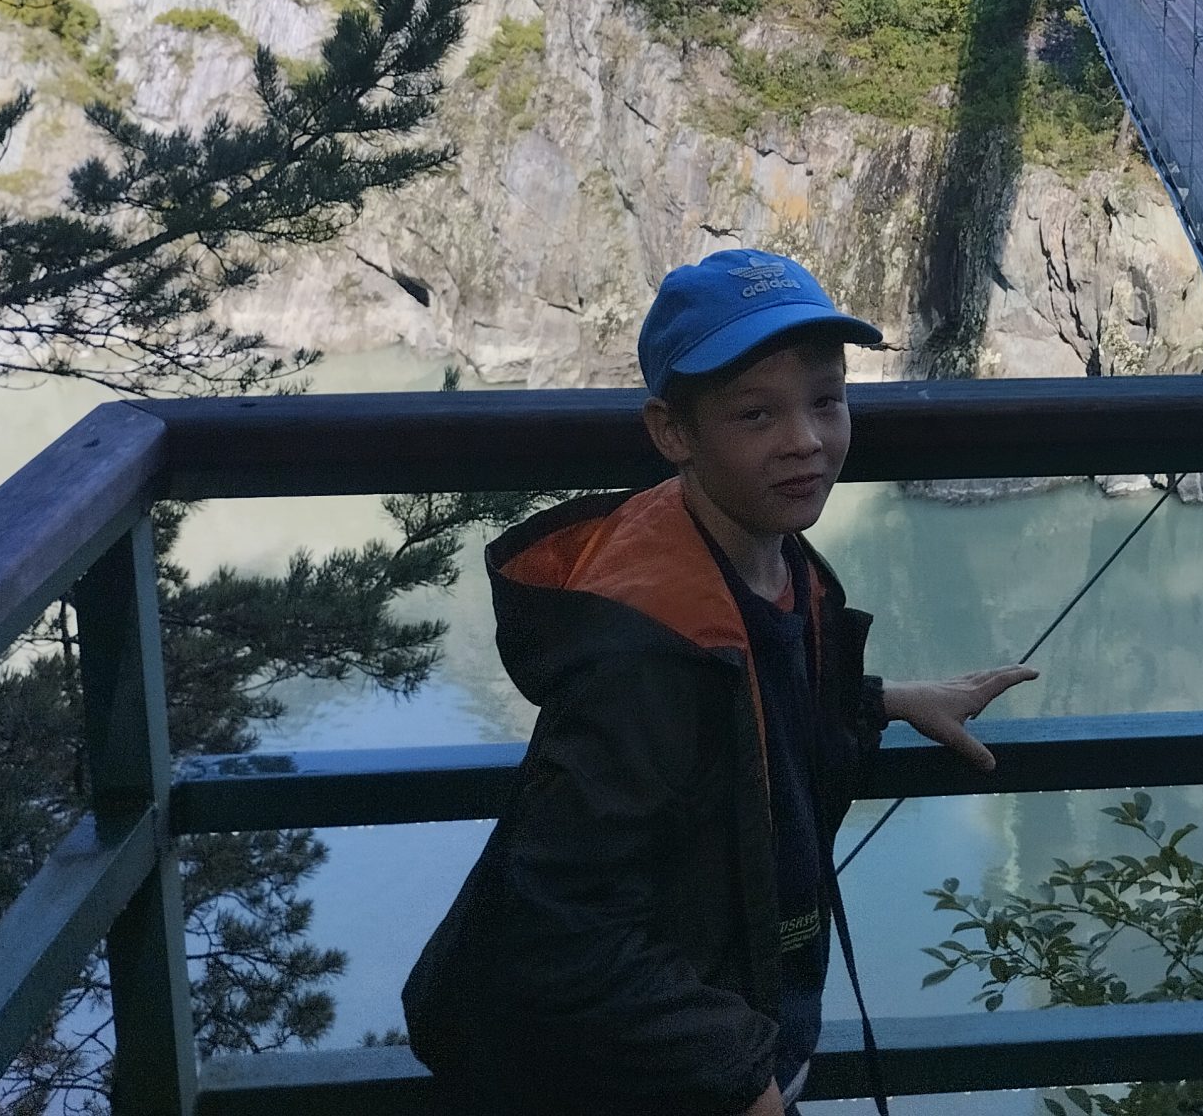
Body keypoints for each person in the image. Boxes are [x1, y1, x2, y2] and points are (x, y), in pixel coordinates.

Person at [403, 249, 1036, 1114]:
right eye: (755, 413)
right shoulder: (641, 653)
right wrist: (742, 1081)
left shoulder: (758, 561)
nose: (805, 439)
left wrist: (878, 699)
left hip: (723, 1046)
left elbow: (741, 708)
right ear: (673, 432)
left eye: (826, 400)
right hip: (658, 1081)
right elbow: (565, 925)